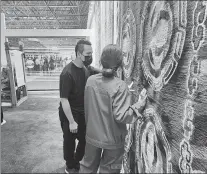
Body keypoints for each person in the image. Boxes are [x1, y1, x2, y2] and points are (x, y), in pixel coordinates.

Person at [80, 44, 147, 173]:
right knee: (109, 171)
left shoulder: (90, 81)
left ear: (101, 60)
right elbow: (121, 116)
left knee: (87, 168)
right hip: (113, 139)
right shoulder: (120, 86)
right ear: (120, 64)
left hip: (92, 135)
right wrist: (139, 104)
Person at [59, 39, 101, 174]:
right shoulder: (67, 73)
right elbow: (64, 100)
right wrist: (71, 122)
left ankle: (77, 161)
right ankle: (70, 166)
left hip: (83, 113)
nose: (90, 57)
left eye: (92, 53)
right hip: (70, 114)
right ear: (78, 53)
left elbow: (95, 70)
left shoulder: (85, 68)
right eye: (88, 54)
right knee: (70, 142)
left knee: (84, 140)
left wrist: (108, 71)